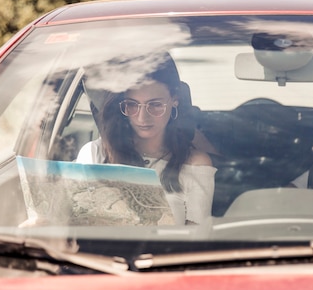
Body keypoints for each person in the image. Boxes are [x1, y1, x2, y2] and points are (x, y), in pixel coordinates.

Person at [76, 56, 216, 225]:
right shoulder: (95, 154)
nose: (142, 117)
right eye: (132, 105)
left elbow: (194, 241)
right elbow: (78, 222)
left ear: (175, 100)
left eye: (155, 105)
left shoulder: (195, 165)